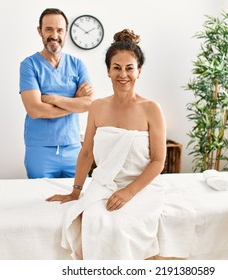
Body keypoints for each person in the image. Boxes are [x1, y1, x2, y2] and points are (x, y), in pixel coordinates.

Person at [46, 29, 169, 259]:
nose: (123, 74)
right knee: (94, 220)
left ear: (139, 71)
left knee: (119, 226)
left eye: (129, 68)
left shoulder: (151, 109)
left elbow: (158, 161)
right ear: (108, 71)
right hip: (104, 184)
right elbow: (86, 153)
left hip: (141, 187)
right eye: (117, 67)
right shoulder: (98, 107)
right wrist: (76, 192)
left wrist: (128, 192)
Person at [19, 8, 94, 179]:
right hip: (40, 150)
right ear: (40, 31)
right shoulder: (29, 65)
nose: (54, 35)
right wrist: (74, 102)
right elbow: (35, 110)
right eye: (48, 29)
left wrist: (53, 99)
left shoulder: (77, 65)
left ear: (66, 32)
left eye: (59, 30)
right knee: (42, 199)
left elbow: (89, 104)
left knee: (77, 200)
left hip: (74, 147)